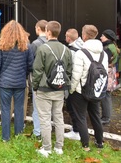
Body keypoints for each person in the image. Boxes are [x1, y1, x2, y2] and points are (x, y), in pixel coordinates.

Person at [32, 21, 72, 157]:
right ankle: (59, 147)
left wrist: (35, 87)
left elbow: (37, 71)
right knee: (59, 117)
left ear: (48, 32)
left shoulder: (42, 49)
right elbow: (69, 70)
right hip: (59, 89)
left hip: (44, 89)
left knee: (44, 118)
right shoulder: (66, 49)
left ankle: (47, 148)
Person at [0, 20, 33, 142]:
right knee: (19, 109)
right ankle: (18, 135)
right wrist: (23, 74)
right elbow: (30, 66)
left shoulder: (0, 46)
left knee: (5, 109)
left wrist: (2, 76)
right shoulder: (26, 46)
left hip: (5, 82)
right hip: (20, 82)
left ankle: (5, 137)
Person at [70, 25, 108, 152]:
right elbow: (105, 72)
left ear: (84, 35)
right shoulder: (103, 53)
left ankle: (85, 145)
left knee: (81, 117)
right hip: (96, 90)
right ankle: (99, 142)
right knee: (95, 116)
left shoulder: (81, 53)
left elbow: (76, 75)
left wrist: (71, 89)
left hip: (81, 91)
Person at [28, 19, 48, 141]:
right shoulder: (52, 42)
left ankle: (37, 132)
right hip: (50, 80)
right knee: (48, 109)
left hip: (38, 79)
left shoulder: (35, 44)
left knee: (37, 107)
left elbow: (30, 62)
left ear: (38, 29)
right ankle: (46, 131)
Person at [64, 28, 84, 141]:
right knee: (80, 110)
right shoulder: (83, 47)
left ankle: (76, 131)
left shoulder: (71, 51)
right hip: (84, 83)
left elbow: (69, 68)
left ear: (68, 37)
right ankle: (78, 130)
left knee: (72, 107)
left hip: (74, 82)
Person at [100, 29, 119, 124]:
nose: (100, 37)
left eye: (102, 36)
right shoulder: (111, 46)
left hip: (108, 73)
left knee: (105, 96)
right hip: (110, 72)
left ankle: (106, 118)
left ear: (107, 38)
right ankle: (105, 116)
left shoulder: (108, 48)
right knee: (106, 95)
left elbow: (105, 61)